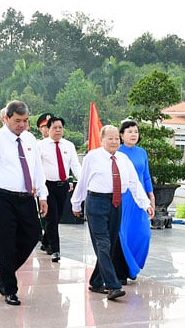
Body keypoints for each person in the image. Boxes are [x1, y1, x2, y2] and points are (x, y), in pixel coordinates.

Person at [71, 125, 153, 301]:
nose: (114, 141)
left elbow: (134, 183)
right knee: (103, 244)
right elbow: (83, 181)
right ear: (102, 140)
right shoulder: (92, 157)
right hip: (96, 203)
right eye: (110, 138)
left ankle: (96, 281)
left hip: (117, 203)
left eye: (116, 138)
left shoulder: (123, 159)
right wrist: (76, 203)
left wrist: (145, 204)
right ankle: (113, 285)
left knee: (111, 243)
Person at [0, 100, 48, 307]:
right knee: (6, 242)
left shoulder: (29, 139)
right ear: (6, 118)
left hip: (26, 197)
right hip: (2, 198)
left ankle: (6, 269)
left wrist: (42, 195)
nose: (22, 125)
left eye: (25, 121)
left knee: (34, 234)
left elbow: (37, 169)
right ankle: (9, 288)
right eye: (17, 120)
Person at [117, 119, 156, 284]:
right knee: (123, 234)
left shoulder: (142, 153)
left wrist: (151, 195)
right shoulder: (117, 152)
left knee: (143, 234)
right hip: (124, 198)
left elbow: (146, 175)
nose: (133, 135)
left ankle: (134, 265)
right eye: (129, 131)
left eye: (136, 132)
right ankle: (125, 269)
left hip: (140, 200)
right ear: (121, 135)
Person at [37, 116, 81, 262]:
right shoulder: (41, 146)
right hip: (47, 186)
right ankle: (55, 250)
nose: (58, 130)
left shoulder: (69, 145)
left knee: (57, 217)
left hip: (62, 186)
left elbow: (75, 166)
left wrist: (82, 181)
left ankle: (45, 241)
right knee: (52, 217)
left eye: (60, 127)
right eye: (54, 127)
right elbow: (35, 168)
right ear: (48, 129)